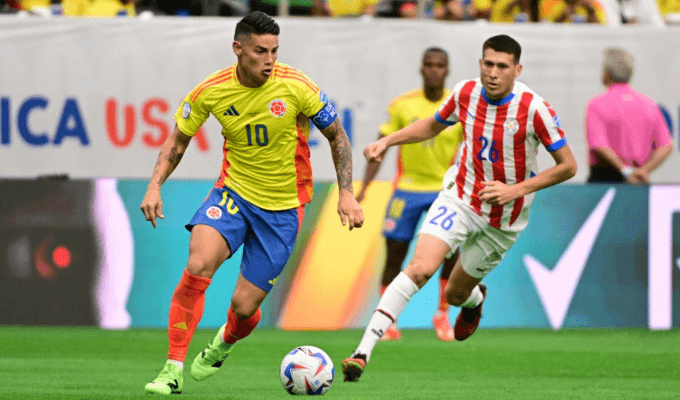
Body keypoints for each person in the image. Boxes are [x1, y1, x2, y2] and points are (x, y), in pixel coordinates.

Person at [141, 11, 364, 395]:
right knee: (197, 265)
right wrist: (154, 186)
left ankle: (223, 344)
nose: (270, 60)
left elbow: (338, 136)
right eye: (261, 51)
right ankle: (172, 369)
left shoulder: (297, 86)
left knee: (244, 308)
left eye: (275, 51)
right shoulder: (210, 90)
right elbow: (177, 142)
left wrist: (345, 192)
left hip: (282, 208)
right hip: (232, 194)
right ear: (238, 49)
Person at [341, 34, 577, 382]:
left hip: (503, 221)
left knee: (455, 293)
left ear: (517, 69)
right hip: (461, 197)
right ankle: (362, 352)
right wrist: (387, 141)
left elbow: (568, 165)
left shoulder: (534, 109)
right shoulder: (466, 93)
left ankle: (474, 300)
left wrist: (516, 190)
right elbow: (433, 125)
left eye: (502, 66)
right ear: (480, 63)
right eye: (488, 64)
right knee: (420, 268)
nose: (493, 73)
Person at [355, 47, 464, 342]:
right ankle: (386, 322)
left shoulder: (458, 106)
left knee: (451, 253)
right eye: (428, 64)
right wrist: (364, 188)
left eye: (440, 65)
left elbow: (475, 149)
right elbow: (380, 148)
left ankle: (442, 315)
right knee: (395, 256)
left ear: (447, 70)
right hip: (406, 190)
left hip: (445, 191)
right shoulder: (402, 105)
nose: (434, 70)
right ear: (421, 68)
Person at [585, 47, 672, 184]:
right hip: (639, 180)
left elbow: (598, 145)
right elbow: (666, 146)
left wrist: (626, 171)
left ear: (607, 73)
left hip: (604, 180)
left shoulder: (597, 103)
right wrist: (643, 171)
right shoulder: (649, 103)